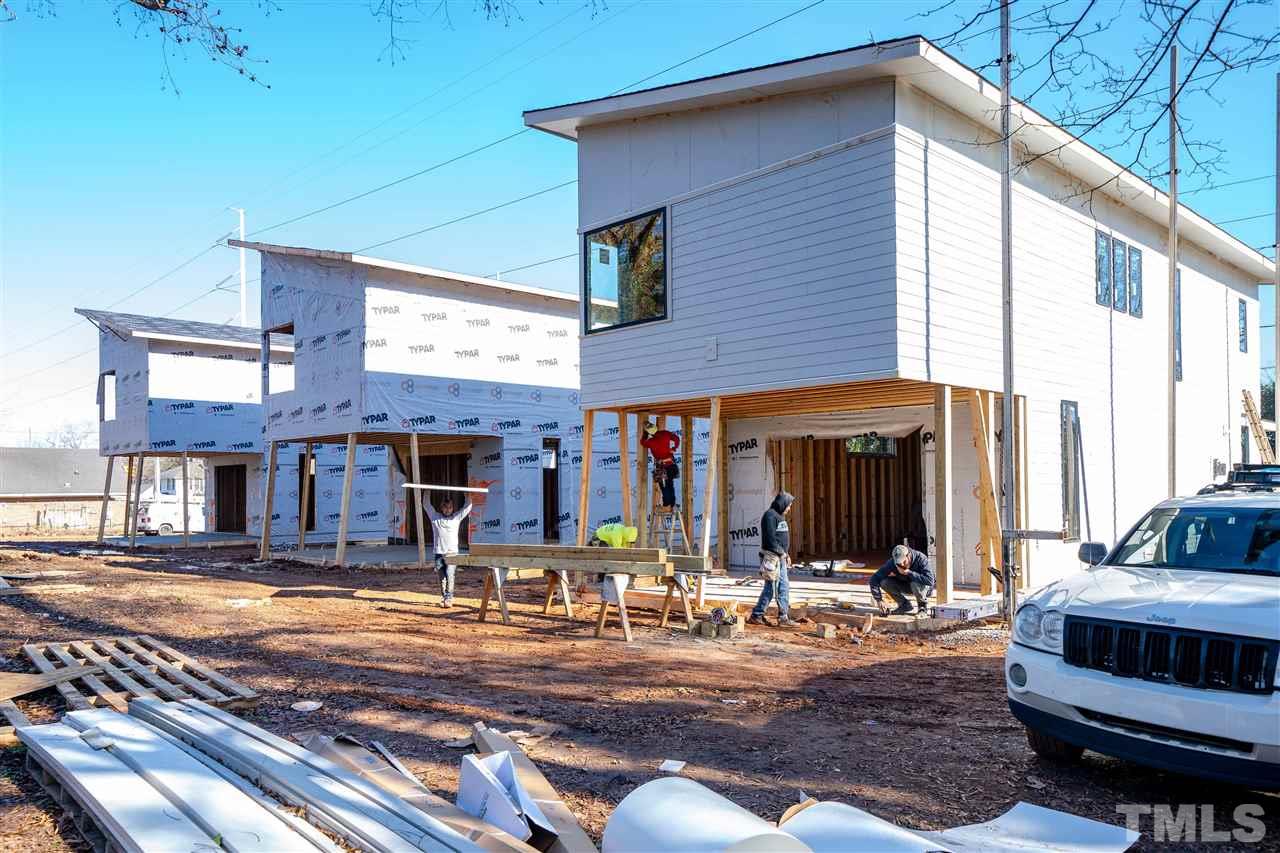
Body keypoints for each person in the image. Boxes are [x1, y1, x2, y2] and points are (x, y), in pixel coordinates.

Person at [748, 492, 795, 626]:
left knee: (783, 586)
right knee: (771, 587)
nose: (789, 508)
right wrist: (782, 553)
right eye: (789, 505)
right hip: (771, 557)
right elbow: (770, 540)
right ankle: (758, 615)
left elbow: (781, 538)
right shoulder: (769, 516)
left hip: (780, 557)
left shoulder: (780, 516)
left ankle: (782, 616)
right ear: (783, 503)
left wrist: (786, 554)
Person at [425, 493, 473, 608]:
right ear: (442, 508)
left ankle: (449, 598)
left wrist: (467, 495)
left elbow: (467, 507)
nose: (447, 510)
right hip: (439, 552)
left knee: (450, 575)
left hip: (452, 553)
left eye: (450, 507)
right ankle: (444, 597)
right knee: (442, 577)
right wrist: (427, 491)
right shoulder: (435, 517)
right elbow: (426, 505)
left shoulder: (456, 518)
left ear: (453, 508)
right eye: (445, 507)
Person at [869, 544, 935, 616]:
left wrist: (910, 573)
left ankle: (922, 607)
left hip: (924, 588)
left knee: (915, 583)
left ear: (908, 556)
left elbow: (930, 580)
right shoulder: (892, 563)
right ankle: (904, 605)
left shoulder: (921, 559)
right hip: (907, 586)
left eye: (904, 562)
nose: (902, 565)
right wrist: (879, 600)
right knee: (884, 582)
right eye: (899, 563)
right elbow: (874, 579)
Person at [639, 421, 680, 507]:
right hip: (670, 464)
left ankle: (666, 503)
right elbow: (676, 438)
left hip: (661, 466)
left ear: (650, 433)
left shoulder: (651, 441)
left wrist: (645, 434)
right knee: (670, 483)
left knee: (662, 485)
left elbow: (642, 442)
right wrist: (674, 448)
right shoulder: (665, 433)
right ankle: (671, 503)